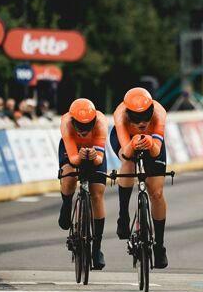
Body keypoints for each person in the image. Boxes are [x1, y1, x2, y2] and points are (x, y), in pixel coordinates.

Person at [110, 87, 169, 269]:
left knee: (157, 193)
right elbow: (126, 153)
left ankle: (159, 246)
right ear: (128, 114)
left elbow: (157, 150)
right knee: (128, 163)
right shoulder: (119, 114)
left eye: (146, 117)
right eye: (137, 118)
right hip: (126, 139)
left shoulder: (159, 113)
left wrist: (150, 142)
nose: (142, 122)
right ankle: (123, 215)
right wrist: (132, 145)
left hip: (152, 141)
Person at [58, 98, 109, 270]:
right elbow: (73, 158)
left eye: (88, 128)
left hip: (95, 150)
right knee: (69, 176)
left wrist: (94, 156)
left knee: (97, 193)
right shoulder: (66, 123)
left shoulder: (101, 122)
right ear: (73, 122)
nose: (83, 132)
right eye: (80, 128)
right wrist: (79, 157)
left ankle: (97, 248)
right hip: (71, 149)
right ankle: (66, 204)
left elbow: (100, 158)